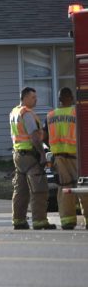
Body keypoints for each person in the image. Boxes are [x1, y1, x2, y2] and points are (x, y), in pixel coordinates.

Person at [9, 87, 56, 230]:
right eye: (33, 97)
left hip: (18, 156)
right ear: (24, 98)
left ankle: (18, 220)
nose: (36, 100)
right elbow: (34, 137)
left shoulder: (14, 112)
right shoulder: (27, 113)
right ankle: (39, 221)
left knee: (21, 190)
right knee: (39, 189)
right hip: (30, 156)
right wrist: (42, 154)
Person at [46, 87, 87, 230]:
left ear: (59, 99)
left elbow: (44, 136)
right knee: (83, 186)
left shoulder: (50, 115)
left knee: (64, 188)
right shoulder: (77, 113)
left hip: (59, 158)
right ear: (71, 98)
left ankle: (67, 221)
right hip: (77, 157)